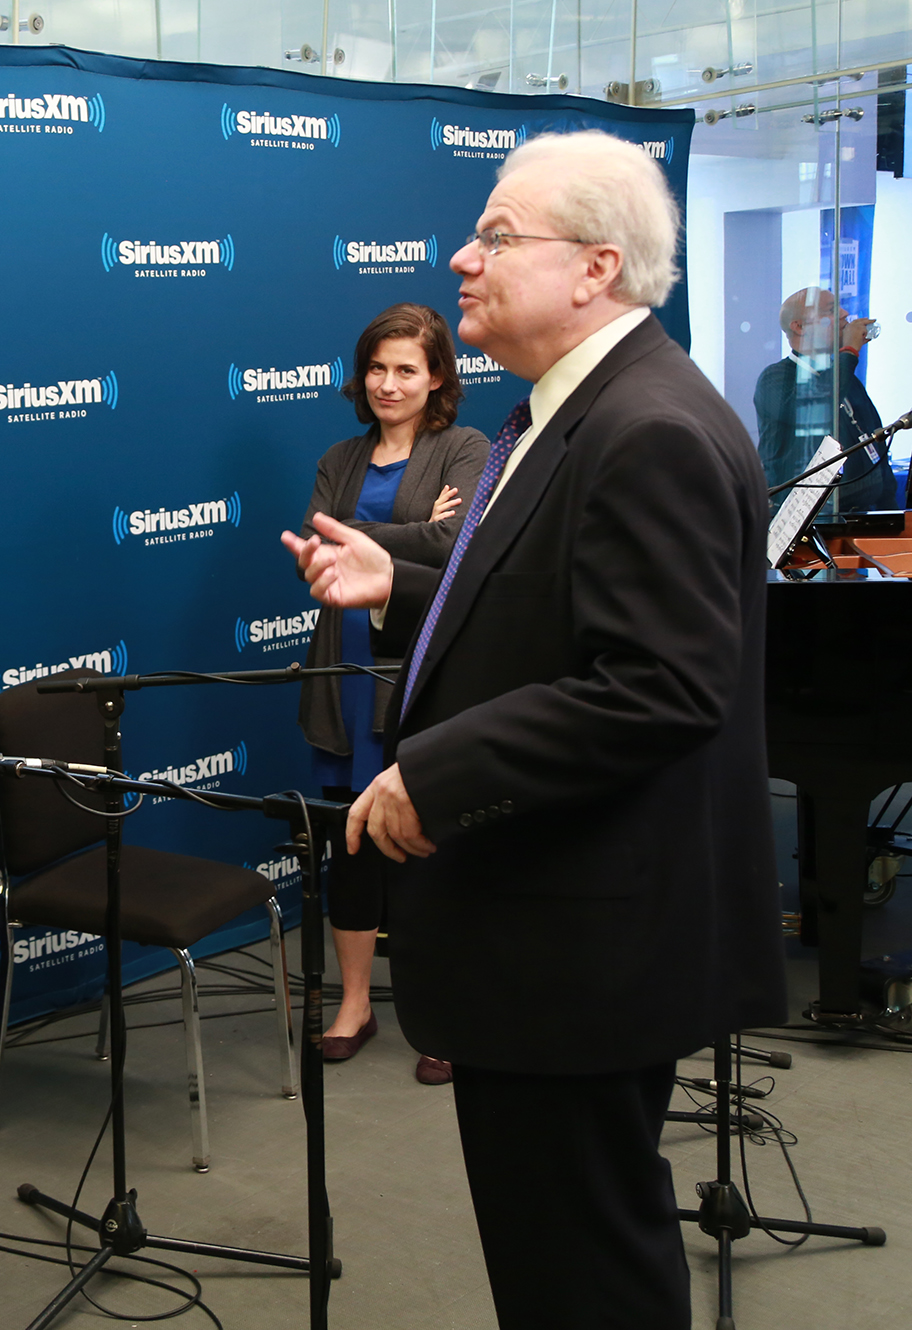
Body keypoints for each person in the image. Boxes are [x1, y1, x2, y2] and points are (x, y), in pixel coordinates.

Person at [282, 130, 785, 1328]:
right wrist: (396, 582)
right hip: (557, 936)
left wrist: (429, 773)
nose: (462, 257)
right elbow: (541, 599)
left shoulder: (644, 427)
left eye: (496, 236)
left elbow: (656, 685)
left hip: (581, 950)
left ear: (593, 268)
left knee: (583, 1272)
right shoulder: (565, 412)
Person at [295, 302, 488, 1084]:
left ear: (436, 375)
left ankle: (440, 1012)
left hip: (422, 670)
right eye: (377, 367)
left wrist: (360, 538)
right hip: (342, 672)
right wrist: (394, 536)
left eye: (406, 368)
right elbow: (315, 545)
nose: (388, 383)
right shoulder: (341, 456)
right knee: (352, 845)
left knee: (425, 844)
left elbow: (459, 545)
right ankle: (354, 1005)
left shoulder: (465, 448)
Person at [753, 286, 896, 512]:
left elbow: (874, 444)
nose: (843, 314)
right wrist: (849, 351)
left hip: (865, 517)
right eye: (830, 310)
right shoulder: (775, 379)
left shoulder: (845, 378)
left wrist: (890, 511)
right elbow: (818, 404)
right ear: (799, 327)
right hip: (813, 519)